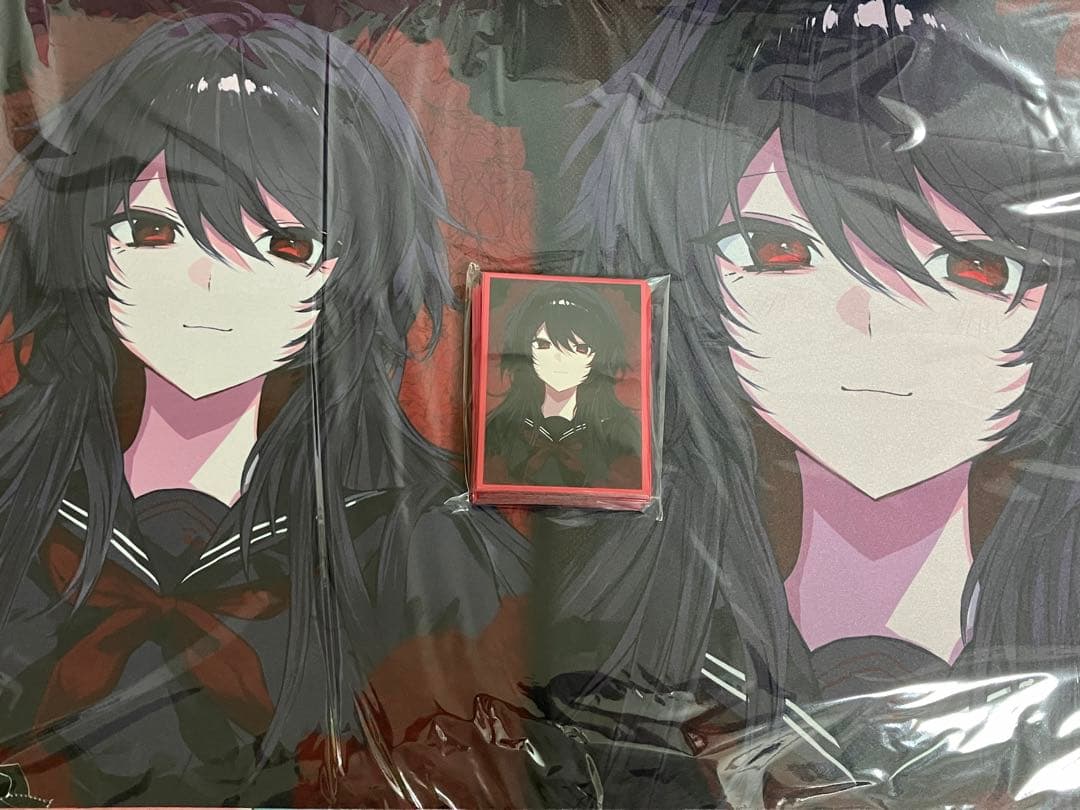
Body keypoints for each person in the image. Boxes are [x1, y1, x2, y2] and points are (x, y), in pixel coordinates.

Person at [539, 0, 1080, 804]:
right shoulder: (627, 594)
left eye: (972, 265)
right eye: (779, 250)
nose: (871, 321)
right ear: (694, 281)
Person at [0, 7, 532, 806]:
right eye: (154, 231)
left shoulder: (420, 540)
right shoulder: (17, 493)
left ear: (348, 266)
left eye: (281, 244)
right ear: (88, 236)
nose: (208, 282)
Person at [484, 282, 641, 489]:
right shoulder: (502, 426)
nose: (560, 359)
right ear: (526, 351)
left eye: (580, 348)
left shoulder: (619, 429)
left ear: (598, 356)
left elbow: (630, 488)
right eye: (544, 345)